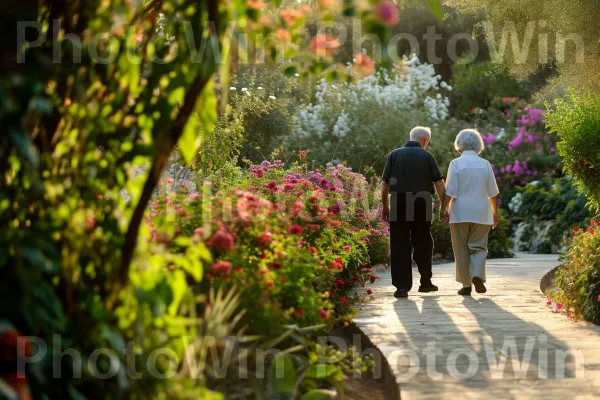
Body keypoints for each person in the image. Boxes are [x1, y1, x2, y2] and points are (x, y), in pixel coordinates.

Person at [381, 126, 446, 298]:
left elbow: (385, 184)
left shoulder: (394, 155)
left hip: (399, 201)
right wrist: (444, 206)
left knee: (399, 243)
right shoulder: (427, 156)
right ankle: (425, 282)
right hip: (422, 202)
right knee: (423, 241)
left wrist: (385, 206)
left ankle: (402, 288)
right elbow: (439, 183)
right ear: (425, 141)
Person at [440, 129, 500, 296]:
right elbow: (493, 193)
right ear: (478, 145)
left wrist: (443, 208)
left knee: (461, 249)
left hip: (460, 213)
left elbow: (450, 191)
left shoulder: (456, 164)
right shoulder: (485, 164)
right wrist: (495, 213)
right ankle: (477, 276)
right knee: (479, 247)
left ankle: (466, 285)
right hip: (482, 212)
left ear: (459, 146)